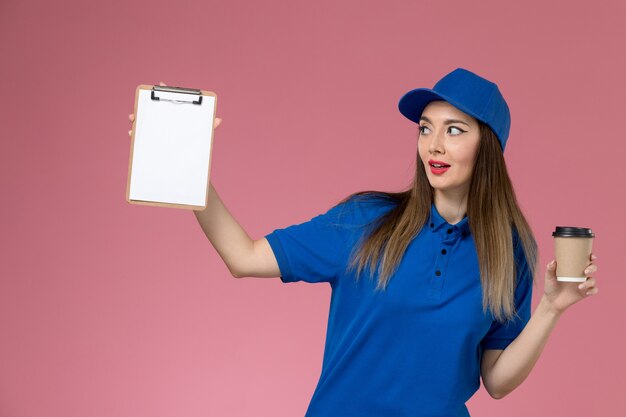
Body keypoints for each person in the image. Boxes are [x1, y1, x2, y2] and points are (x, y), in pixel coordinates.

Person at [128, 68, 599, 417]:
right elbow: (243, 257)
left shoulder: (508, 251)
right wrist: (186, 172)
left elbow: (496, 381)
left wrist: (551, 309)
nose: (433, 144)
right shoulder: (367, 222)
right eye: (425, 128)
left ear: (488, 147)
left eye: (454, 130)